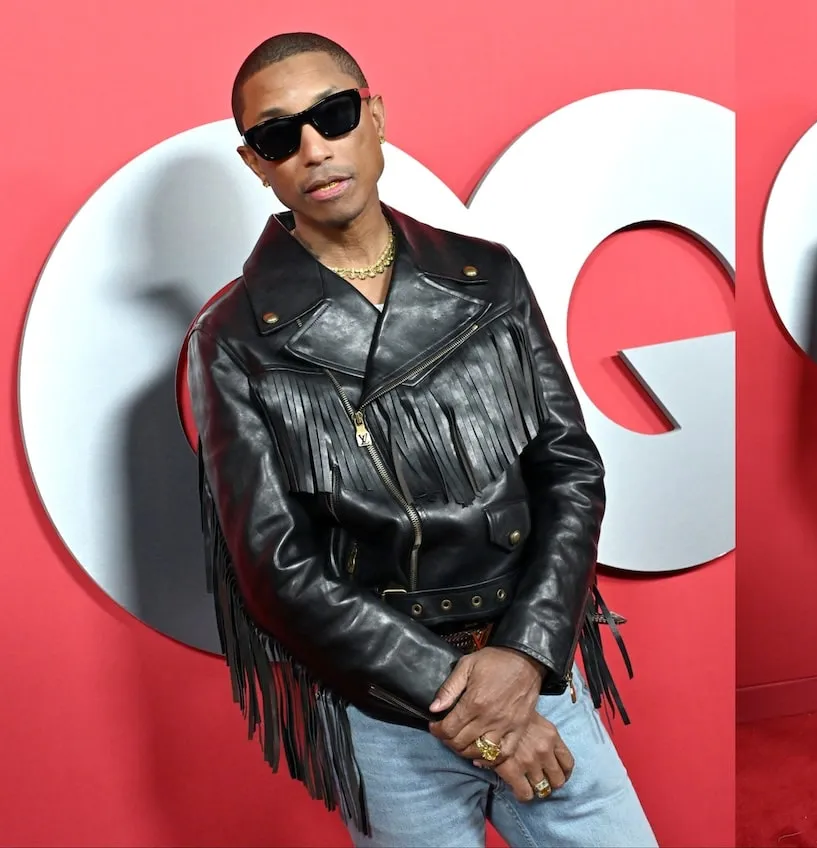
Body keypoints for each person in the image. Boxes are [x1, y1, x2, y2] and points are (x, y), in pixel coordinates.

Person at [185, 31, 656, 848]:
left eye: (333, 115)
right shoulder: (233, 339)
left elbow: (568, 470)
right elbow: (273, 568)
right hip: (383, 705)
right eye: (277, 136)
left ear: (374, 116)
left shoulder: (488, 276)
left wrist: (522, 659)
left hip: (532, 664)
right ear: (255, 161)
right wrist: (466, 702)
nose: (314, 148)